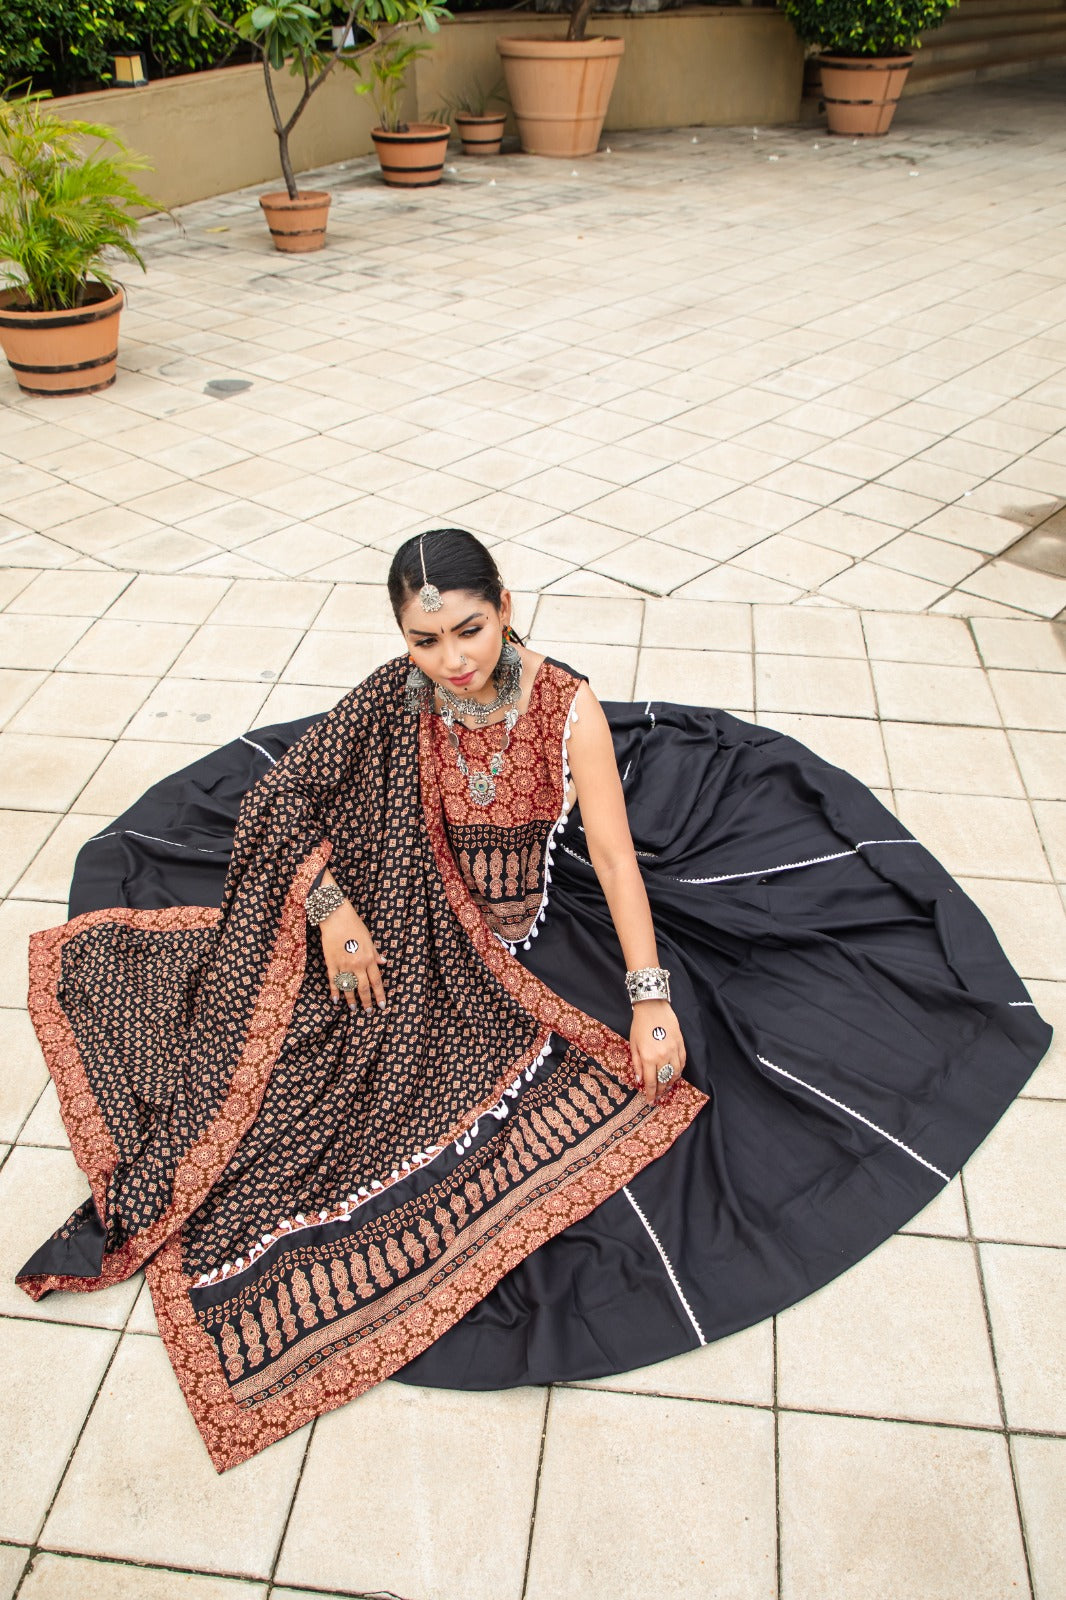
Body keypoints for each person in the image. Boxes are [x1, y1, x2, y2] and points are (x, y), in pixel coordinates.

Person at [18, 528, 1051, 1473]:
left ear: (506, 603)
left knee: (632, 1078)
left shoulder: (566, 708)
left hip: (524, 935)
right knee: (298, 1060)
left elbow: (608, 852)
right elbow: (281, 797)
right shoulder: (395, 696)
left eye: (468, 627)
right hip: (403, 906)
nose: (453, 657)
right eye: (426, 637)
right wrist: (334, 911)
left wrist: (650, 997)